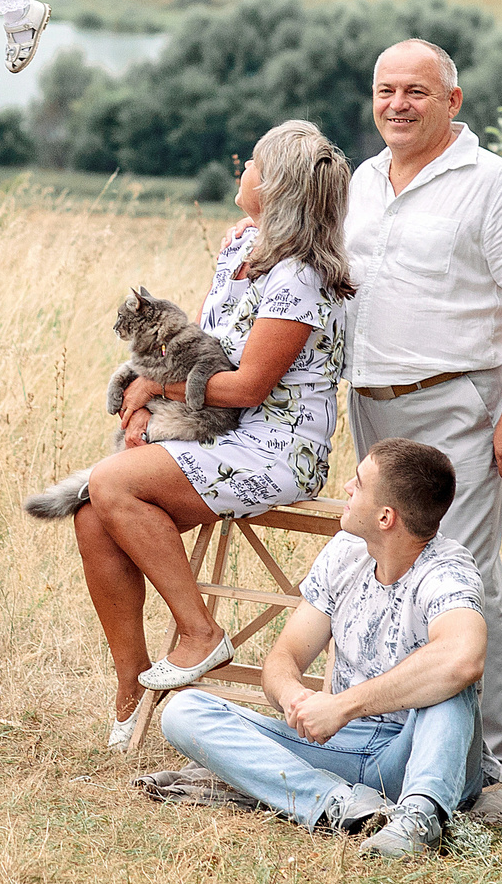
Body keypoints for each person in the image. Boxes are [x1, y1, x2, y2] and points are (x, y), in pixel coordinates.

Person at [72, 120, 355, 746]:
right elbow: (197, 350)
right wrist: (146, 400)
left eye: (252, 164)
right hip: (216, 429)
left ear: (274, 186)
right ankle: (131, 678)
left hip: (276, 447)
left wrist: (160, 391)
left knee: (108, 482)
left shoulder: (299, 278)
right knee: (93, 511)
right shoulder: (241, 251)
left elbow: (248, 387)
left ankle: (201, 635)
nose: (241, 172)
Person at [343, 40, 502, 815]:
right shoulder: (361, 181)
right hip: (371, 407)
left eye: (417, 92)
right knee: (390, 573)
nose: (398, 104)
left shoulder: (495, 185)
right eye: (385, 90)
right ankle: (418, 748)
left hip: (455, 407)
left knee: (466, 578)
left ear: (453, 102)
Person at [154, 440, 485, 858]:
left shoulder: (447, 570)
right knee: (185, 713)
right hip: (341, 748)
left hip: (422, 752)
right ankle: (340, 804)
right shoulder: (345, 553)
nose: (347, 486)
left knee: (451, 683)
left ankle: (420, 818)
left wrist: (343, 706)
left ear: (386, 517)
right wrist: (293, 696)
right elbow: (284, 657)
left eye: (359, 484)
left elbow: (464, 656)